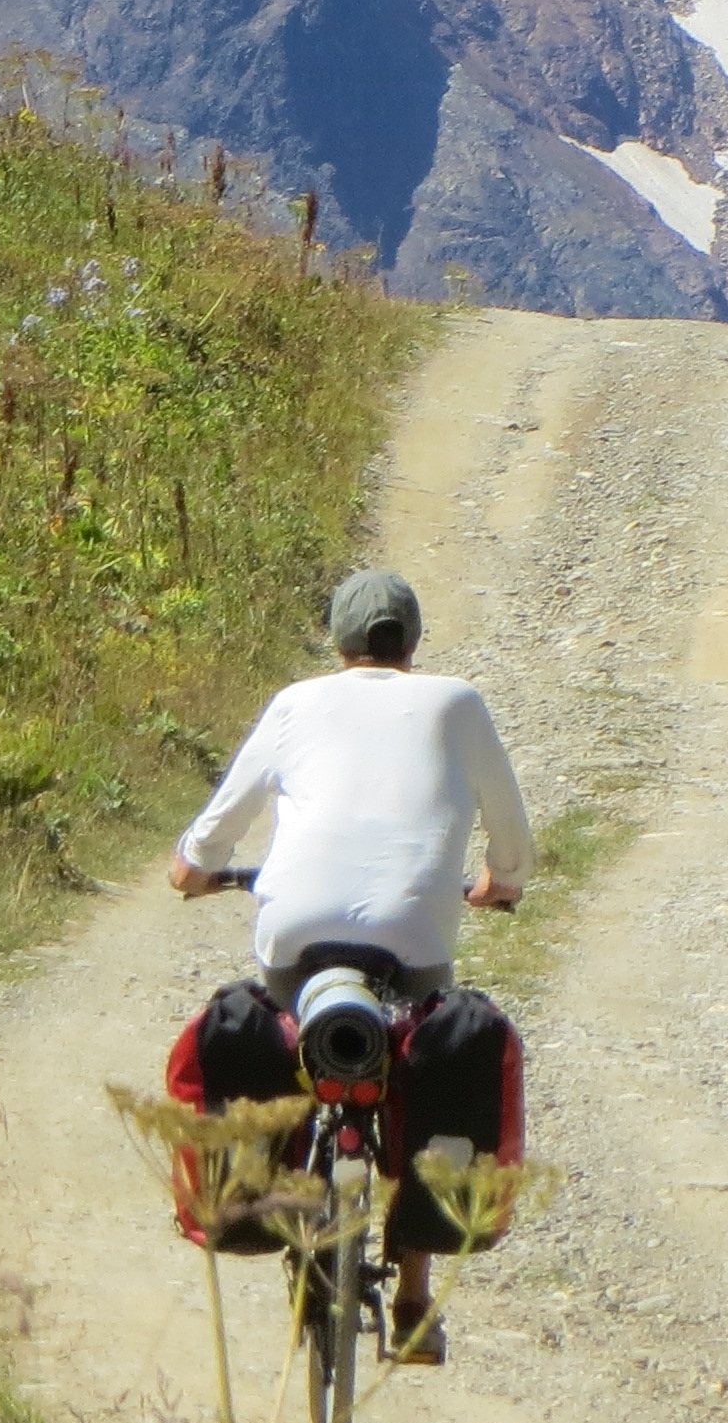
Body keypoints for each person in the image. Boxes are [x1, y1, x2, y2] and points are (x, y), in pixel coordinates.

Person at [168, 566, 532, 1358]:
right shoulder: (456, 701)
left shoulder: (296, 702)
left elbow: (220, 821)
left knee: (287, 1042)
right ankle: (414, 1299)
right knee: (422, 1063)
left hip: (299, 928)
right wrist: (500, 881)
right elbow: (510, 830)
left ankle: (284, 1186)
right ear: (413, 642)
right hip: (415, 932)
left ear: (337, 640)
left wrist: (196, 866)